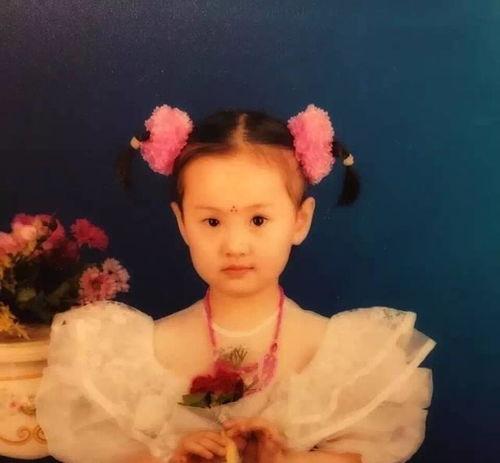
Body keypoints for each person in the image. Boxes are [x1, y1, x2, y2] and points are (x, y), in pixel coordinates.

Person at [35, 104, 436, 463]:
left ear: (300, 220)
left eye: (258, 220)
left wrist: (288, 460)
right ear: (182, 223)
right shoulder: (129, 359)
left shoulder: (348, 361)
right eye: (211, 221)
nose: (235, 245)